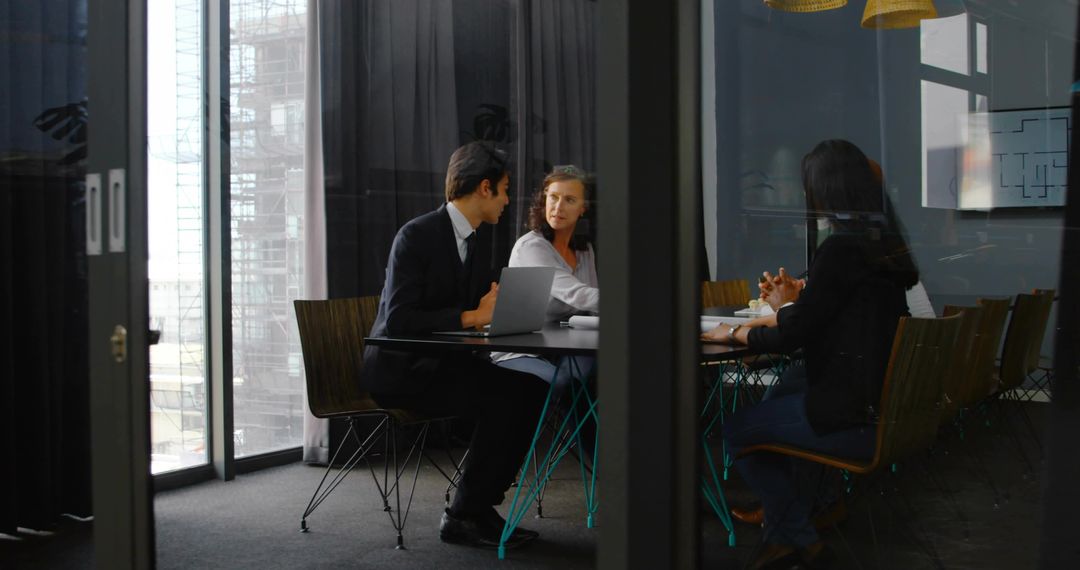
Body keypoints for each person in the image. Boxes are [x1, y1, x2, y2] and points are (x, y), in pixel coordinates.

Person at [703, 139, 919, 569]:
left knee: (737, 431)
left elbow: (791, 337)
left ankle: (800, 539)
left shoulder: (841, 248)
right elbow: (824, 321)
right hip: (883, 406)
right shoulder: (883, 246)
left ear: (826, 189)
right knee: (785, 388)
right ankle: (809, 513)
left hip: (852, 416)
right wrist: (795, 303)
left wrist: (737, 334)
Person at [360, 141, 549, 550]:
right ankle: (465, 514)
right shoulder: (416, 235)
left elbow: (468, 310)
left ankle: (478, 506)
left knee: (531, 388)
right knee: (504, 397)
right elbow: (399, 321)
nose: (507, 200)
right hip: (401, 369)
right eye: (504, 189)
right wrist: (472, 318)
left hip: (442, 363)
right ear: (484, 188)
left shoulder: (473, 241)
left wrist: (495, 315)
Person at [493, 165, 599, 458]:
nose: (558, 206)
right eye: (552, 197)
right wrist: (638, 304)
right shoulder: (531, 247)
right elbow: (578, 295)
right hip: (519, 349)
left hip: (562, 346)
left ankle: (621, 459)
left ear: (584, 208)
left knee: (608, 372)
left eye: (569, 199)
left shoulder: (584, 248)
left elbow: (588, 308)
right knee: (569, 383)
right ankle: (605, 462)